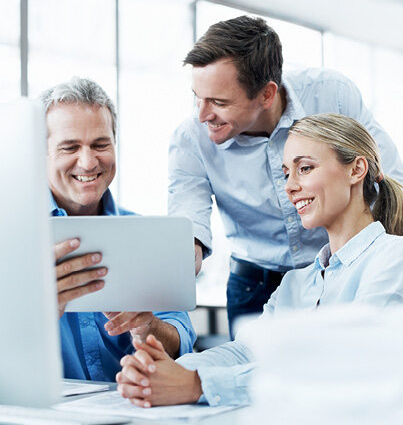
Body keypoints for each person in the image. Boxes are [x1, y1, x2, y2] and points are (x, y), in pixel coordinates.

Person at [116, 113, 403, 407]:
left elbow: (346, 361)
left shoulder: (393, 258)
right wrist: (170, 369)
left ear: (356, 170)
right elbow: (246, 351)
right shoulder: (296, 282)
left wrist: (197, 385)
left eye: (305, 168)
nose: (289, 186)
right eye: (286, 173)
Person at [168, 15, 403, 337]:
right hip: (256, 282)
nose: (202, 114)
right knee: (250, 372)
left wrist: (380, 260)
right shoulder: (190, 138)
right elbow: (187, 219)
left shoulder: (330, 94)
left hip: (342, 270)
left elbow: (388, 175)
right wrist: (176, 265)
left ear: (267, 94)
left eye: (219, 102)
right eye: (198, 97)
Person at [41, 77, 196, 382]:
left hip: (132, 411)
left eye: (100, 145)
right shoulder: (11, 238)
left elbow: (182, 338)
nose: (88, 162)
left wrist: (149, 328)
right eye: (69, 147)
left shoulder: (146, 234)